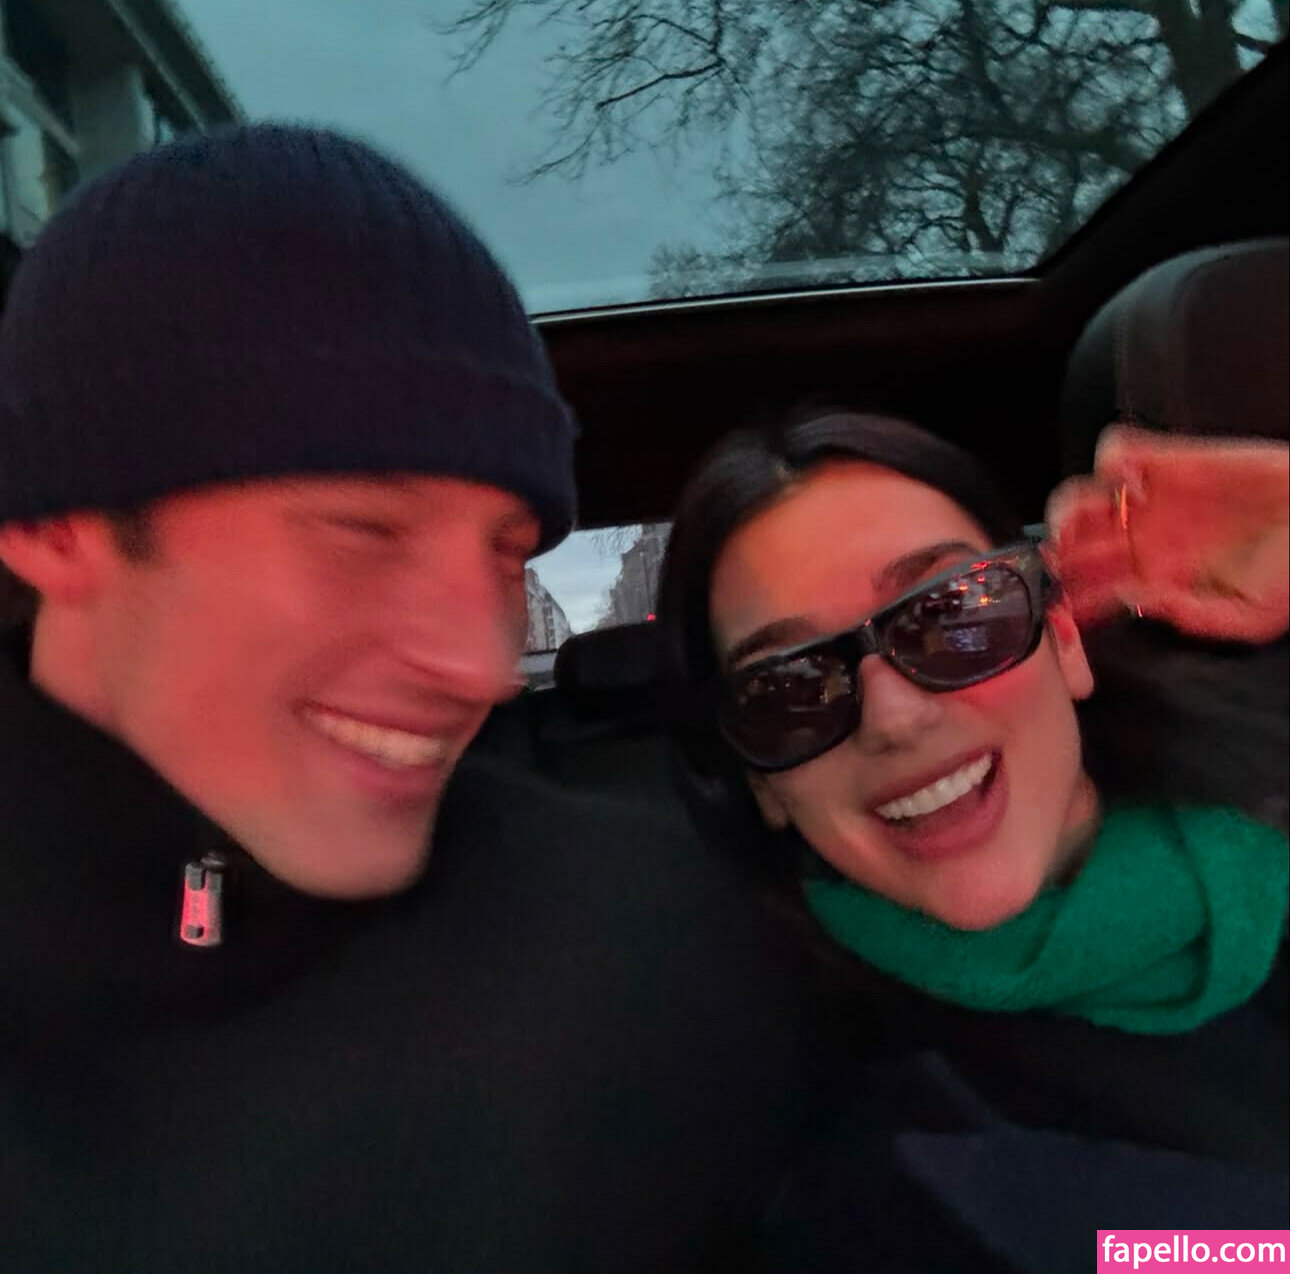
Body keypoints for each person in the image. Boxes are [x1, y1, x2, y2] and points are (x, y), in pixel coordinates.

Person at [0, 125, 813, 1274]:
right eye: (364, 532)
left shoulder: (656, 951)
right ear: (53, 528)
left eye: (506, 553)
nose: (481, 668)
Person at [656, 408, 1289, 1273]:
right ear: (761, 782)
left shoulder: (1266, 780)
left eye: (954, 614)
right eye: (793, 690)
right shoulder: (859, 1175)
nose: (895, 717)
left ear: (1062, 638)